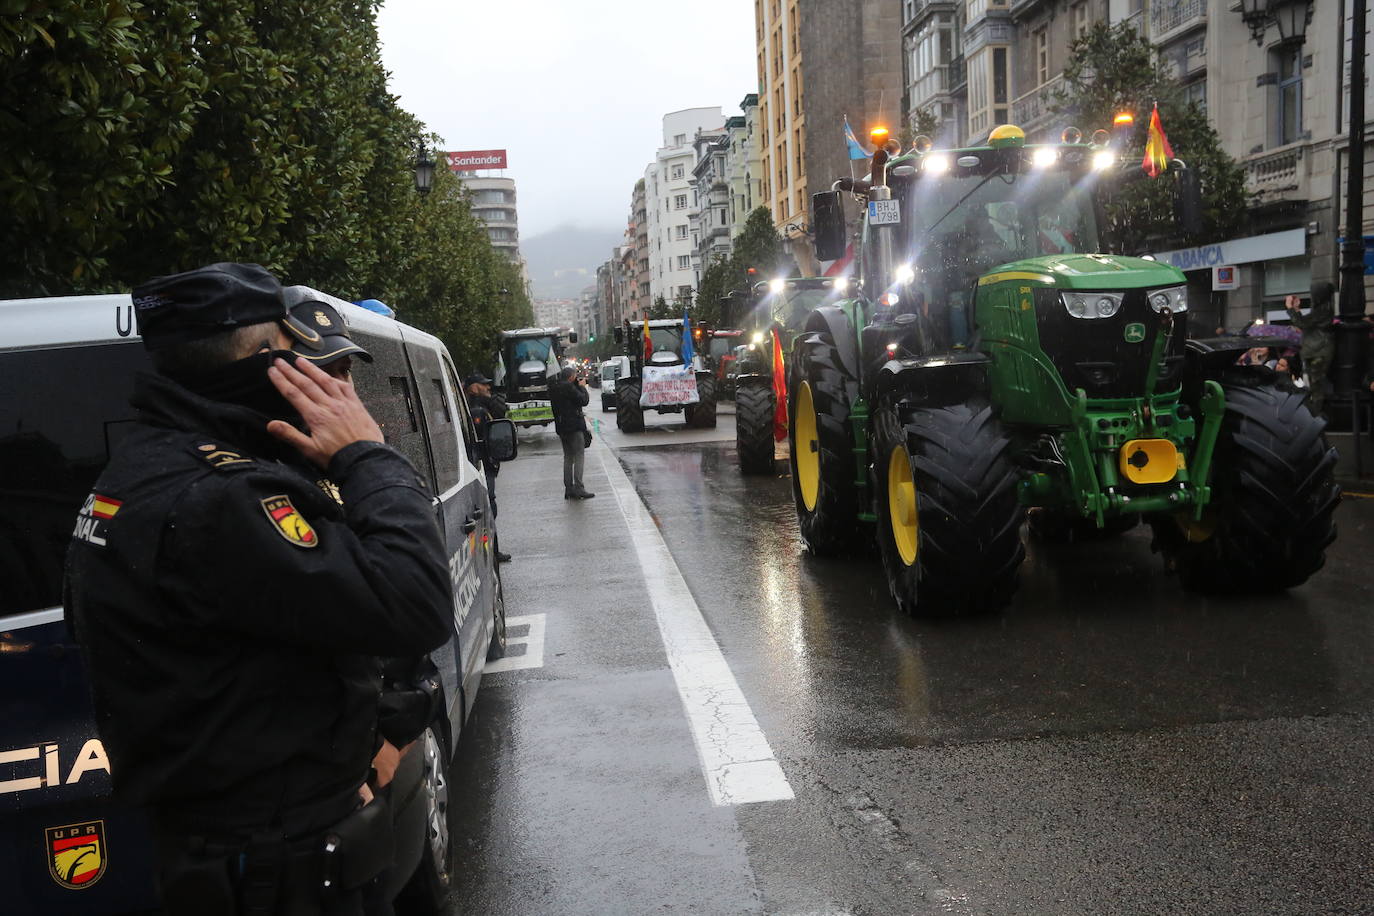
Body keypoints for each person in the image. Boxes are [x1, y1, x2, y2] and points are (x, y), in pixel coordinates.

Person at [65, 263, 452, 915]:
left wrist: (349, 762)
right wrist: (367, 454)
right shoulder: (225, 497)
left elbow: (269, 656)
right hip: (279, 871)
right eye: (290, 346)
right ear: (267, 358)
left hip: (240, 846)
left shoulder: (141, 468)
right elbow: (414, 603)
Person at [463, 372, 512, 563]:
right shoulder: (476, 410)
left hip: (484, 465)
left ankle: (492, 551)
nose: (488, 387)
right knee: (488, 507)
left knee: (489, 508)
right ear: (474, 387)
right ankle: (491, 552)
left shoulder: (482, 406)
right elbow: (479, 441)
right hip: (482, 466)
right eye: (483, 385)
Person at [1286, 281, 1335, 413]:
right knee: (1312, 384)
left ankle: (1316, 413)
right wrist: (1296, 309)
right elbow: (1306, 323)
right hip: (1315, 351)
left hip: (1319, 351)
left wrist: (1290, 308)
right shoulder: (1322, 310)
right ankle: (1314, 411)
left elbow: (1301, 323)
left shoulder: (1323, 310)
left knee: (1316, 385)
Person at [550, 365, 594, 499]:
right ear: (570, 377)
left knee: (568, 457)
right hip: (574, 427)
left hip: (561, 427)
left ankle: (568, 488)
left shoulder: (554, 389)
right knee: (579, 455)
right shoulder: (569, 388)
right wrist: (582, 387)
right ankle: (579, 487)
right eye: (575, 376)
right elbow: (583, 400)